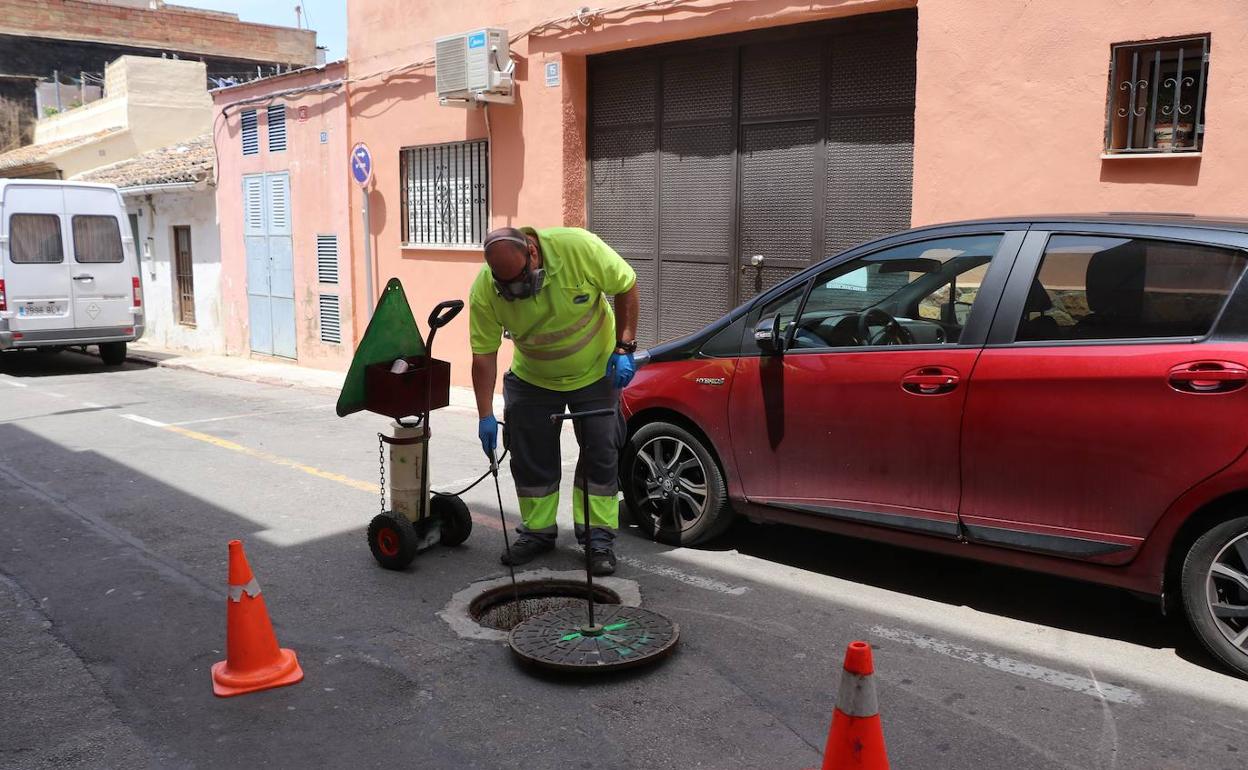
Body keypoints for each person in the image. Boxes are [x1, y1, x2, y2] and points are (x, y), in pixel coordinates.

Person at [469, 226, 639, 575]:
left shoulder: (578, 248)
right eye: (507, 285)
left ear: (532, 251)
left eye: (519, 279)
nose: (516, 290)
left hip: (595, 372)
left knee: (600, 454)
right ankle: (537, 532)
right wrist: (484, 414)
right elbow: (484, 355)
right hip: (532, 377)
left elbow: (626, 285)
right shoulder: (486, 289)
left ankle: (598, 539)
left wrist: (624, 347)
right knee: (531, 458)